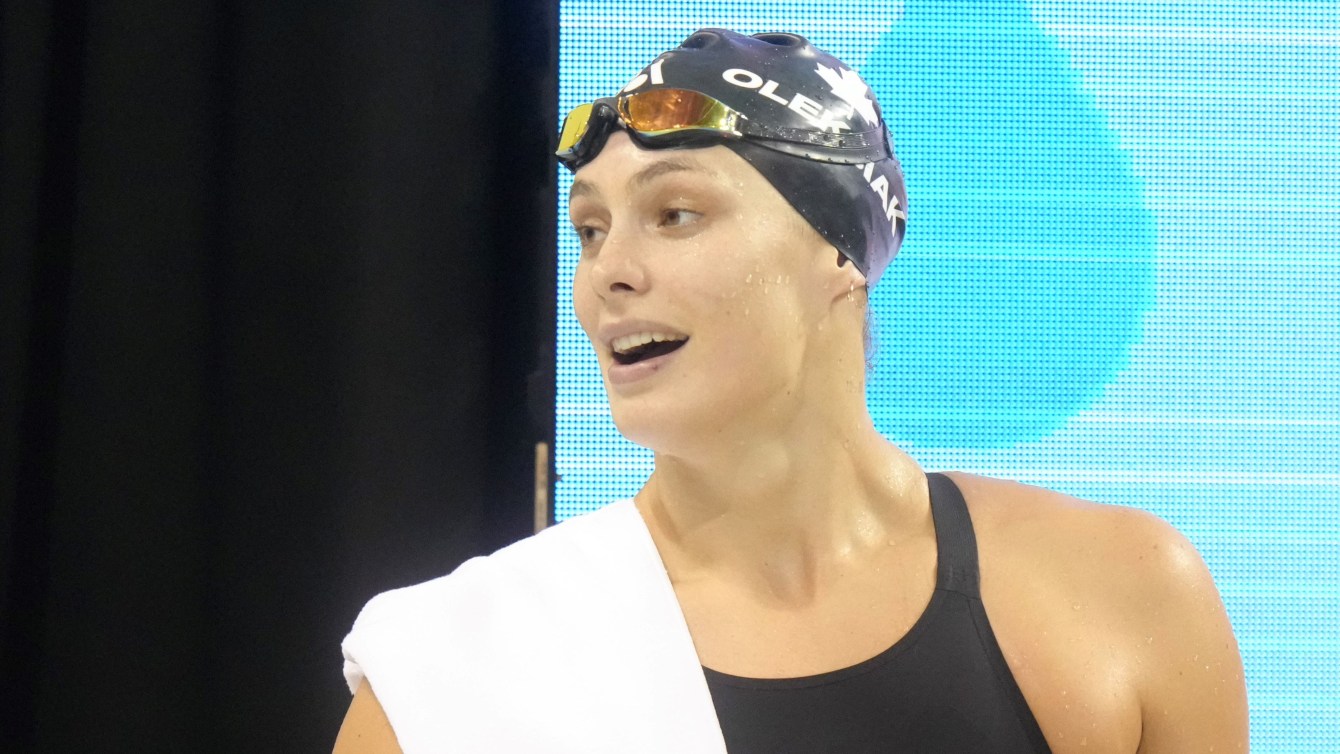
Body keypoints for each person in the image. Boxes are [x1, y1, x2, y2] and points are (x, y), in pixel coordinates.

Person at [334, 29, 1247, 753]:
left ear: (839, 251)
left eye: (675, 213)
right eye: (591, 228)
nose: (608, 270)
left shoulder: (1122, 596)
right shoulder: (456, 667)